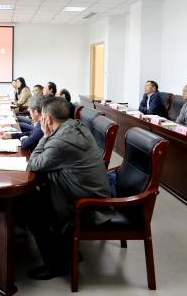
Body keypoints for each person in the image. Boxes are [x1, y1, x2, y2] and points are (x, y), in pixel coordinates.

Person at [26, 97, 112, 280]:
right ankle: (67, 251)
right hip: (91, 191)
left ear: (47, 119)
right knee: (39, 191)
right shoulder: (77, 126)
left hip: (88, 206)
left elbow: (33, 164)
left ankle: (55, 265)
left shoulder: (60, 142)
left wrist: (45, 136)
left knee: (32, 210)